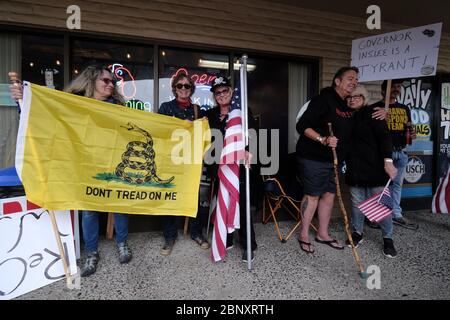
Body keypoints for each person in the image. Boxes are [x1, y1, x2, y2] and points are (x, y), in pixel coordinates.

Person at [10, 65, 132, 277]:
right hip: (83, 166)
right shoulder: (72, 104)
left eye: (112, 81)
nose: (110, 84)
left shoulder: (118, 107)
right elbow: (42, 117)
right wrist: (24, 101)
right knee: (89, 209)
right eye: (105, 80)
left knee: (118, 204)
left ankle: (122, 243)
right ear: (91, 81)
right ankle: (91, 252)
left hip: (111, 165)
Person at [295, 66, 360, 254]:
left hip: (335, 160)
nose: (354, 82)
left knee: (329, 195)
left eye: (356, 79)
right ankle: (304, 234)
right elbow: (302, 125)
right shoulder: (322, 100)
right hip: (313, 157)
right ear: (337, 81)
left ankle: (322, 233)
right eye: (350, 78)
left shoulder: (347, 104)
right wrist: (322, 139)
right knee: (312, 195)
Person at [158, 72, 210, 256]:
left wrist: (202, 124)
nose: (183, 89)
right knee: (169, 196)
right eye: (180, 86)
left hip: (190, 161)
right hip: (170, 160)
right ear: (174, 88)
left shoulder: (198, 110)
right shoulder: (165, 107)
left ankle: (196, 233)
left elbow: (205, 136)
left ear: (191, 89)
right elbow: (159, 131)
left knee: (193, 196)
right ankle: (169, 236)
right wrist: (181, 125)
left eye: (187, 86)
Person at [206, 76, 257, 262]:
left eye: (225, 91)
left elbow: (252, 133)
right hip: (218, 167)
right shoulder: (210, 114)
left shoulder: (242, 111)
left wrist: (249, 151)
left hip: (239, 167)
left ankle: (248, 244)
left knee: (241, 203)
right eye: (217, 92)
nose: (221, 95)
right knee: (222, 202)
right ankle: (226, 238)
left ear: (231, 91)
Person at [344, 85, 399, 258]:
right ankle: (357, 232)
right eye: (349, 97)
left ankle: (387, 238)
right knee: (356, 204)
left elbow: (385, 138)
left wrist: (388, 161)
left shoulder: (374, 113)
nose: (352, 99)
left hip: (375, 169)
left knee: (381, 205)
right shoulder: (344, 116)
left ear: (364, 98)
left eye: (357, 96)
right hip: (354, 170)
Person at [370, 79, 419, 230]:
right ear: (384, 90)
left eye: (398, 87)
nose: (396, 89)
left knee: (397, 185)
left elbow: (409, 130)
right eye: (393, 86)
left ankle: (396, 214)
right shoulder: (375, 108)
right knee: (378, 186)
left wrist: (412, 133)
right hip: (384, 154)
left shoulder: (404, 108)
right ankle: (375, 216)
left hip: (401, 152)